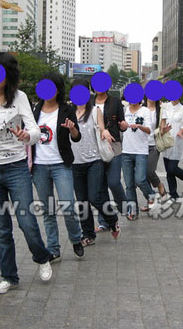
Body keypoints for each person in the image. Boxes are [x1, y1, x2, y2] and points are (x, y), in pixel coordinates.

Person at [0, 52, 53, 293]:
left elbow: (36, 131)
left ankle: (42, 257)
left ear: (9, 75)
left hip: (16, 168)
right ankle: (9, 276)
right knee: (1, 228)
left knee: (27, 221)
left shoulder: (20, 98)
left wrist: (26, 136)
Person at [32, 72, 85, 262]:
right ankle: (53, 248)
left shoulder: (66, 109)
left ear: (58, 89)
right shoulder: (35, 110)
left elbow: (77, 137)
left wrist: (72, 128)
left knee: (68, 206)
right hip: (39, 166)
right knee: (48, 210)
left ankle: (76, 238)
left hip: (61, 164)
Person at [69, 79, 120, 245]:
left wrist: (105, 132)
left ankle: (112, 220)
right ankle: (88, 234)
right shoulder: (68, 111)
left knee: (94, 197)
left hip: (94, 161)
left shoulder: (94, 110)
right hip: (76, 163)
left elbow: (101, 126)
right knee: (82, 201)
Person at [92, 87, 128, 232]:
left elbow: (122, 123)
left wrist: (124, 126)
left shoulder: (115, 102)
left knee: (113, 181)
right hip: (95, 148)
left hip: (113, 145)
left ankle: (124, 206)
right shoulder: (89, 102)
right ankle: (104, 221)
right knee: (100, 187)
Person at [120, 96, 155, 220]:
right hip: (126, 151)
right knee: (129, 184)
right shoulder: (124, 110)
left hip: (140, 151)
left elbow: (149, 130)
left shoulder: (145, 111)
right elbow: (120, 127)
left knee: (140, 179)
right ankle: (133, 211)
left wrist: (139, 126)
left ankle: (151, 196)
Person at [161, 98, 183, 200]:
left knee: (172, 168)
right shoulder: (165, 107)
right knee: (168, 171)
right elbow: (162, 122)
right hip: (166, 140)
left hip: (177, 140)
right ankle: (173, 193)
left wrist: (181, 132)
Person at [143, 97, 170, 210]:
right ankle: (150, 201)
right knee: (143, 175)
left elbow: (161, 129)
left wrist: (164, 130)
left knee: (149, 170)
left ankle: (160, 186)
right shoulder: (141, 108)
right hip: (140, 145)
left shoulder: (161, 110)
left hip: (154, 144)